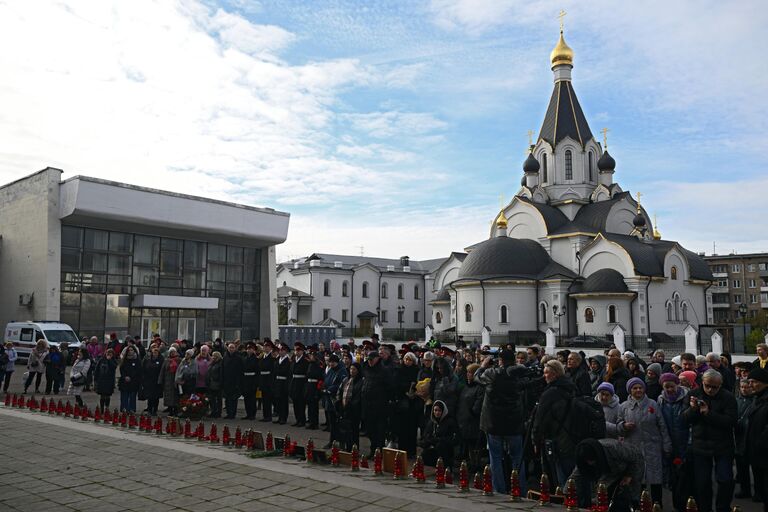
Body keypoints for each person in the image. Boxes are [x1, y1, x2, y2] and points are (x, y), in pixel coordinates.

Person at [476, 348, 538, 494]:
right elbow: (529, 381)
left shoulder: (492, 373)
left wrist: (483, 365)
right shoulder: (518, 374)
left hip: (494, 422)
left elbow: (477, 377)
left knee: (495, 458)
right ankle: (520, 489)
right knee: (517, 457)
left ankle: (499, 489)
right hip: (514, 421)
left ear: (500, 360)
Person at [682, 369, 737, 512]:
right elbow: (683, 420)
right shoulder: (693, 394)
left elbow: (731, 421)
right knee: (702, 482)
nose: (711, 390)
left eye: (715, 387)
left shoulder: (728, 397)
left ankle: (722, 507)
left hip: (723, 445)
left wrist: (708, 414)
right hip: (700, 445)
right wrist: (693, 409)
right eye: (708, 386)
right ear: (702, 383)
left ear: (720, 385)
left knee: (725, 480)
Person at [616, 377, 671, 505]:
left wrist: (667, 445)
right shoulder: (624, 406)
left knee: (655, 477)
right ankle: (638, 504)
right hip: (633, 446)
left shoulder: (652, 404)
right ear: (630, 391)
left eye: (640, 387)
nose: (638, 390)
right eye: (635, 388)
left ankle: (657, 503)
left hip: (652, 446)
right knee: (637, 477)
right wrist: (624, 426)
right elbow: (618, 424)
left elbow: (662, 425)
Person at [570, 438, 646, 512]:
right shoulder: (583, 458)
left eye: (591, 460)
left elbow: (636, 457)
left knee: (631, 498)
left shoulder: (613, 448)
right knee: (605, 497)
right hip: (611, 472)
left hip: (631, 465)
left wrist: (629, 475)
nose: (590, 463)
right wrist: (566, 492)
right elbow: (575, 476)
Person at [657, 372, 690, 511]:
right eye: (666, 387)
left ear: (677, 384)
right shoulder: (661, 400)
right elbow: (660, 422)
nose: (669, 390)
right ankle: (678, 504)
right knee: (672, 476)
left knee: (685, 475)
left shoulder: (687, 397)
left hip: (684, 440)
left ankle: (687, 503)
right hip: (669, 440)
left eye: (671, 386)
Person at [745, 367, 768, 510]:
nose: (750, 385)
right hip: (758, 455)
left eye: (753, 381)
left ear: (765, 383)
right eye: (749, 381)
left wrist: (759, 444)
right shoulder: (757, 398)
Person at [361, 350, 390, 458]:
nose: (370, 362)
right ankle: (373, 449)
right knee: (370, 429)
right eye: (368, 360)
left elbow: (389, 387)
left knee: (380, 431)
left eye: (372, 359)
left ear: (377, 359)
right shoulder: (367, 369)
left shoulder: (384, 371)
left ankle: (379, 451)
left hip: (379, 405)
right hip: (367, 405)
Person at [456, 362, 484, 472]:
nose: (469, 375)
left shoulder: (479, 388)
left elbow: (478, 403)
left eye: (471, 373)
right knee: (468, 444)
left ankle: (476, 463)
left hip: (473, 421)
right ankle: (470, 462)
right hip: (463, 419)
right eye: (467, 372)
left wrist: (473, 412)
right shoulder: (465, 387)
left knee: (475, 445)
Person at [393, 351, 421, 457]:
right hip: (402, 402)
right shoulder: (399, 370)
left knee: (412, 428)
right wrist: (405, 391)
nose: (407, 362)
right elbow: (396, 384)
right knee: (402, 428)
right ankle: (402, 450)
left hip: (413, 403)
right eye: (406, 359)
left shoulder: (416, 371)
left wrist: (414, 392)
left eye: (410, 360)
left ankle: (411, 452)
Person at [419, 400, 458, 469]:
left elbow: (453, 438)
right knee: (423, 455)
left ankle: (446, 467)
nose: (437, 413)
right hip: (434, 446)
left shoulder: (450, 422)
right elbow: (426, 435)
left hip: (445, 448)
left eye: (439, 411)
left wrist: (438, 440)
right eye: (435, 410)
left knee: (440, 446)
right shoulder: (432, 422)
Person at [735, 378, 755, 499]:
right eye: (742, 387)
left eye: (746, 387)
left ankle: (759, 491)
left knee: (756, 467)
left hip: (750, 436)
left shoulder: (755, 401)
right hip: (739, 436)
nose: (744, 389)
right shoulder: (737, 400)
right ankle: (745, 489)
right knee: (741, 466)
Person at [336, 362, 363, 451]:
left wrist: (351, 405)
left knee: (354, 430)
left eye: (354, 369)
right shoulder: (346, 380)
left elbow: (359, 396)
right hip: (344, 409)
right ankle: (345, 447)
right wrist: (339, 403)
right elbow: (339, 392)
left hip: (354, 410)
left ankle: (354, 449)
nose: (352, 371)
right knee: (344, 429)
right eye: (351, 369)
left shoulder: (361, 381)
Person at [324, 354, 347, 447]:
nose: (331, 364)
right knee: (332, 423)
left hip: (337, 401)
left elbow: (342, 384)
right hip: (329, 399)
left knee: (339, 423)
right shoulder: (330, 370)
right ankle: (331, 441)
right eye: (330, 362)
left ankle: (342, 443)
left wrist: (331, 389)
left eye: (333, 362)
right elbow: (326, 380)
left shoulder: (342, 371)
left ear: (337, 362)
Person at [222, 343, 243, 419]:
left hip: (235, 382)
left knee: (233, 399)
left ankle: (232, 414)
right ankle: (228, 413)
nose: (231, 349)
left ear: (235, 349)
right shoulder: (225, 357)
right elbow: (223, 369)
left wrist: (239, 382)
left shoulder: (238, 358)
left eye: (233, 348)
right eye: (230, 347)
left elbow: (240, 371)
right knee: (227, 399)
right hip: (226, 381)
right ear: (227, 348)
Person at [304, 347, 324, 429]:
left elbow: (319, 377)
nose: (309, 357)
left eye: (311, 355)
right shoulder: (310, 364)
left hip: (315, 386)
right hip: (309, 385)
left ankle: (315, 423)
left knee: (314, 406)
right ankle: (310, 421)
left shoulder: (318, 365)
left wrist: (317, 390)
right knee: (309, 405)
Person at [290, 343, 309, 427]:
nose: (296, 352)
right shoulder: (294, 359)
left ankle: (302, 420)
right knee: (295, 403)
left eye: (298, 350)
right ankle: (297, 420)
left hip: (301, 383)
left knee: (301, 403)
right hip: (294, 382)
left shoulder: (305, 360)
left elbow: (306, 373)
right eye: (295, 350)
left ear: (302, 351)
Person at [118, 345, 142, 413]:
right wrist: (125, 376)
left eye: (131, 350)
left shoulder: (137, 360)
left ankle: (132, 409)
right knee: (124, 396)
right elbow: (121, 369)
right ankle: (124, 408)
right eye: (129, 350)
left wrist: (131, 377)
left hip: (133, 381)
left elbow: (138, 370)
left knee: (132, 396)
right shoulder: (124, 360)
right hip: (124, 381)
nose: (130, 352)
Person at [141, 346, 164, 416]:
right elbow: (143, 369)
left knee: (156, 397)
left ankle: (155, 410)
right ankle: (149, 410)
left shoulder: (161, 360)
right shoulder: (147, 360)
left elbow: (162, 371)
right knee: (149, 397)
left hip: (157, 381)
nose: (155, 354)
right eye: (154, 352)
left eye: (156, 352)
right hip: (149, 381)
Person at [159, 347, 180, 415]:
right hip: (168, 381)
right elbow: (162, 371)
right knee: (168, 396)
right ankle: (170, 410)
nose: (172, 353)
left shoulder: (179, 360)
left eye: (174, 352)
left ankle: (176, 410)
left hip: (176, 380)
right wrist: (160, 380)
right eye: (171, 352)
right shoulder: (166, 360)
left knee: (176, 396)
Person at [273, 343, 291, 424]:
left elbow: (287, 373)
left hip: (284, 383)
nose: (280, 352)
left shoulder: (287, 361)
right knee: (278, 401)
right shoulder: (278, 360)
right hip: (277, 383)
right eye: (279, 350)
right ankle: (280, 417)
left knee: (284, 402)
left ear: (286, 351)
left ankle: (284, 418)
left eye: (282, 350)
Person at [259, 342, 277, 422]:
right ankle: (265, 415)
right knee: (264, 399)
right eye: (264, 346)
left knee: (268, 399)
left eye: (267, 347)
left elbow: (273, 371)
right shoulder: (262, 357)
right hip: (263, 380)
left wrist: (271, 382)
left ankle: (269, 416)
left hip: (269, 380)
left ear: (270, 348)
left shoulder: (272, 357)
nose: (265, 348)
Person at [242, 342, 259, 420]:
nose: (249, 350)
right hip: (245, 380)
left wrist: (256, 383)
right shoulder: (245, 358)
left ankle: (253, 414)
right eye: (248, 349)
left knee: (252, 399)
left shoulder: (256, 359)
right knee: (246, 398)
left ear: (254, 350)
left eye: (251, 349)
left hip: (252, 380)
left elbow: (257, 372)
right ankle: (248, 413)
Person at [206, 351, 223, 418]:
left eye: (214, 356)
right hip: (211, 383)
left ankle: (218, 413)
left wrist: (220, 382)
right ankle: (213, 411)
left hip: (217, 383)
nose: (213, 357)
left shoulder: (220, 364)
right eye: (212, 355)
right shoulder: (212, 363)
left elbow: (221, 374)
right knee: (212, 399)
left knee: (218, 399)